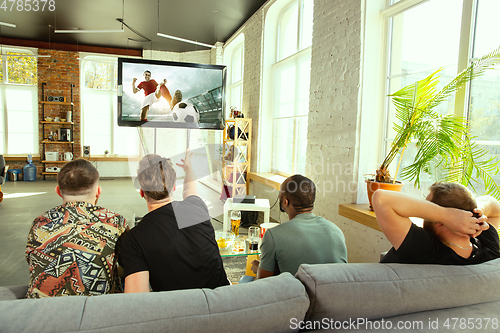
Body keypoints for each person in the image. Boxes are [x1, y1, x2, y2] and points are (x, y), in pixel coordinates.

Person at [119, 150, 229, 293]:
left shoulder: (133, 240)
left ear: (141, 192)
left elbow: (137, 303)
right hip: (225, 303)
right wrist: (188, 168)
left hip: (181, 313)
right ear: (174, 187)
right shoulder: (197, 207)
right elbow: (190, 188)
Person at [25, 159, 127, 298]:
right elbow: (128, 265)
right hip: (97, 311)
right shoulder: (116, 222)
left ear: (58, 191)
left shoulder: (39, 223)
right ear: (98, 191)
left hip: (41, 313)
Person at [249, 174, 348, 281]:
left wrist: (258, 268)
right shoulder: (336, 230)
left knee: (246, 279)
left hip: (298, 296)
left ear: (286, 201)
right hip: (336, 294)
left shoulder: (273, 235)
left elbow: (263, 284)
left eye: (280, 193)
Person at [372, 182, 500, 265]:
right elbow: (495, 206)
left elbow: (381, 198)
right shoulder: (489, 248)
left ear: (441, 222)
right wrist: (477, 212)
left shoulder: (425, 250)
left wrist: (444, 214)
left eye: (428, 207)